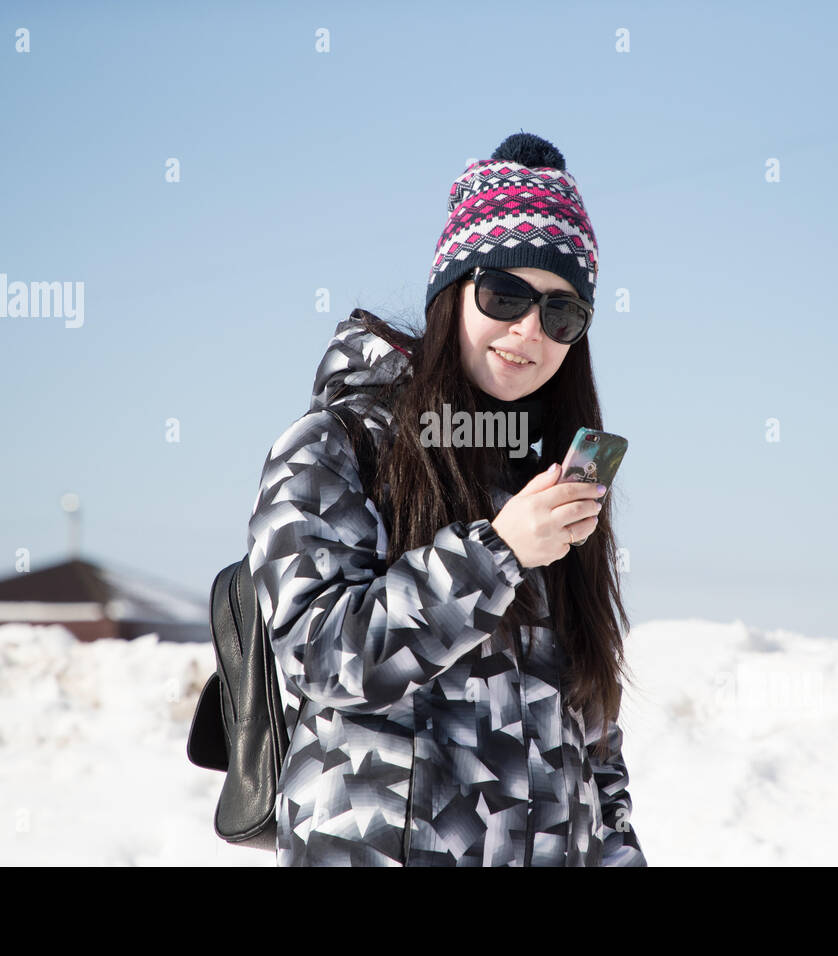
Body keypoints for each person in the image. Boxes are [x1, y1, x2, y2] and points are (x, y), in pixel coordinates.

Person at [246, 132, 647, 866]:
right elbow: (322, 658)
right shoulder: (334, 446)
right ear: (450, 292)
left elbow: (595, 745)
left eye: (561, 314)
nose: (529, 330)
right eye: (504, 294)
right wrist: (497, 554)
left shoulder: (546, 482)